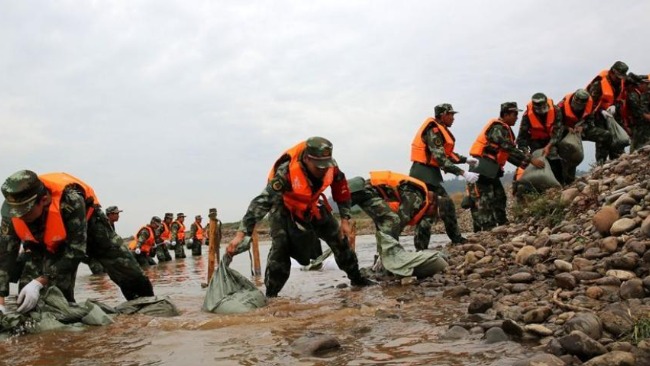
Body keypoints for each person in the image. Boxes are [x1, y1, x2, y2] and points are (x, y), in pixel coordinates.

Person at [225, 136, 372, 297]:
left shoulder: (331, 166)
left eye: (325, 166)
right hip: (284, 207)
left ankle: (356, 279)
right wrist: (240, 235)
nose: (323, 170)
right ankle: (271, 295)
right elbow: (260, 204)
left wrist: (345, 219)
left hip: (311, 205)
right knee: (280, 249)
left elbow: (341, 189)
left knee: (339, 238)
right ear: (307, 159)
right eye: (318, 167)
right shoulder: (286, 173)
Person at [0, 170, 154, 314]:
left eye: (25, 212)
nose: (19, 217)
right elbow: (5, 255)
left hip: (91, 230)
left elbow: (76, 250)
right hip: (43, 243)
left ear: (44, 200)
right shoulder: (13, 210)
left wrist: (40, 281)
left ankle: (146, 319)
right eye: (16, 213)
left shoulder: (70, 200)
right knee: (43, 302)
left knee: (129, 274)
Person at [347, 171, 448, 278]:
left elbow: (421, 229)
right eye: (434, 214)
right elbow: (398, 222)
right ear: (433, 204)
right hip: (362, 191)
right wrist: (396, 254)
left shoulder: (419, 198)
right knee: (392, 221)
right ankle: (382, 264)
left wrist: (420, 250)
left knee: (386, 224)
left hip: (366, 191)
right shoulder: (416, 197)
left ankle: (380, 263)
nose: (431, 217)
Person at [409, 103, 479, 248]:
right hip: (423, 175)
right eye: (451, 114)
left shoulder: (439, 130)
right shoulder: (433, 130)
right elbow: (441, 159)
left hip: (429, 174)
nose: (453, 118)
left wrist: (465, 160)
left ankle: (455, 239)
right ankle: (421, 249)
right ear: (443, 115)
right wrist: (463, 173)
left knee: (446, 205)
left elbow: (448, 155)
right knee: (428, 210)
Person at [467, 103, 545, 232]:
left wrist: (524, 165)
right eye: (514, 115)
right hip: (482, 168)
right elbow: (507, 146)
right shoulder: (498, 128)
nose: (517, 117)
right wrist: (530, 159)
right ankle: (487, 230)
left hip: (491, 170)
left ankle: (502, 224)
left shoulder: (504, 129)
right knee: (486, 199)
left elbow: (506, 154)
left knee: (500, 197)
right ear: (506, 114)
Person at [516, 93, 564, 183]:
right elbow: (521, 140)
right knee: (537, 163)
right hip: (535, 142)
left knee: (554, 159)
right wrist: (529, 157)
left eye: (543, 107)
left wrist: (549, 146)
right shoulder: (527, 116)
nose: (542, 111)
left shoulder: (556, 110)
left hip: (551, 139)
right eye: (538, 108)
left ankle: (560, 184)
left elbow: (558, 131)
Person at [586, 61, 628, 163]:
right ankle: (601, 165)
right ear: (612, 72)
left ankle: (618, 162)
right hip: (598, 116)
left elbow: (619, 98)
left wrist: (614, 106)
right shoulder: (598, 84)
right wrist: (601, 111)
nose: (619, 79)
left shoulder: (620, 82)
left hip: (612, 114)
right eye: (617, 77)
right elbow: (590, 104)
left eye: (621, 77)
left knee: (617, 140)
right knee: (603, 140)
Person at [556, 89, 598, 184]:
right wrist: (566, 127)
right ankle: (561, 181)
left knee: (574, 154)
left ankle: (570, 180)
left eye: (581, 103)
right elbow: (555, 124)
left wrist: (583, 127)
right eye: (576, 102)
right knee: (561, 156)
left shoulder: (589, 106)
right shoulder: (561, 106)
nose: (578, 104)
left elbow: (590, 122)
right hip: (562, 133)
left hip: (578, 133)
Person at [620, 73, 650, 151]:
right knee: (638, 144)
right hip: (634, 124)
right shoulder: (633, 95)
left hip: (635, 123)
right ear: (641, 84)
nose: (648, 86)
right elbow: (640, 112)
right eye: (646, 84)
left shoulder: (640, 94)